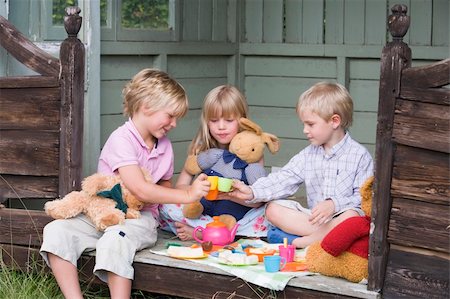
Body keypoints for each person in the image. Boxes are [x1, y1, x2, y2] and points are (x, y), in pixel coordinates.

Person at [40, 69, 210, 299]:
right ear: (146, 106)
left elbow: (163, 186)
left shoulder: (164, 146)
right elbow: (140, 188)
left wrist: (190, 196)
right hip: (103, 213)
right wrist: (188, 194)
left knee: (115, 238)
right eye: (170, 116)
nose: (174, 124)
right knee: (56, 230)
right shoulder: (122, 140)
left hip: (139, 219)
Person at [229, 82, 373, 248]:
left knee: (353, 216)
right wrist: (251, 191)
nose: (305, 130)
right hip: (315, 222)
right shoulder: (308, 155)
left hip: (343, 219)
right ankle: (324, 239)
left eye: (310, 124)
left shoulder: (360, 156)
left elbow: (364, 200)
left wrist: (334, 204)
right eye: (304, 124)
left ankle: (302, 242)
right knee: (273, 209)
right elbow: (283, 179)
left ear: (334, 121)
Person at [159, 85, 269, 240]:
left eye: (229, 120)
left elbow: (257, 200)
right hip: (203, 211)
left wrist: (231, 196)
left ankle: (203, 233)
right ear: (206, 122)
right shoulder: (202, 149)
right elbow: (181, 186)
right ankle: (214, 232)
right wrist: (198, 189)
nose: (221, 127)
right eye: (214, 120)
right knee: (165, 205)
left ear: (243, 120)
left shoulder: (251, 152)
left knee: (268, 212)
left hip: (237, 215)